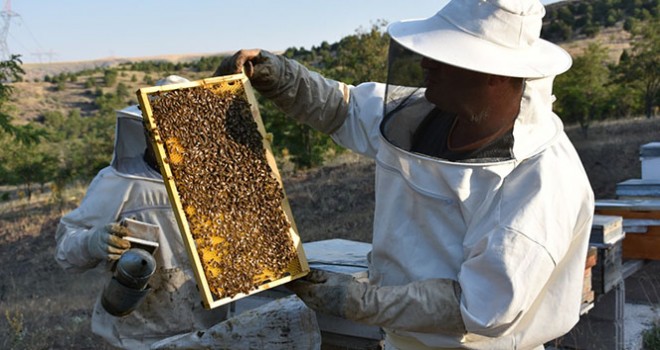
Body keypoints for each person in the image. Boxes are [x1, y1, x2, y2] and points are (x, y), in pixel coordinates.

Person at [215, 0, 595, 349]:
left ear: (493, 74)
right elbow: (344, 110)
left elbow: (482, 306)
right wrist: (282, 77)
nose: (425, 63)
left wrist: (357, 300)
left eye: (443, 55)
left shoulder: (541, 181)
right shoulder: (423, 113)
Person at [54, 75, 229, 349]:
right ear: (146, 128)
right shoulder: (119, 181)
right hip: (140, 337)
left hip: (212, 331)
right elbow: (66, 252)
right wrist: (92, 242)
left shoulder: (216, 181)